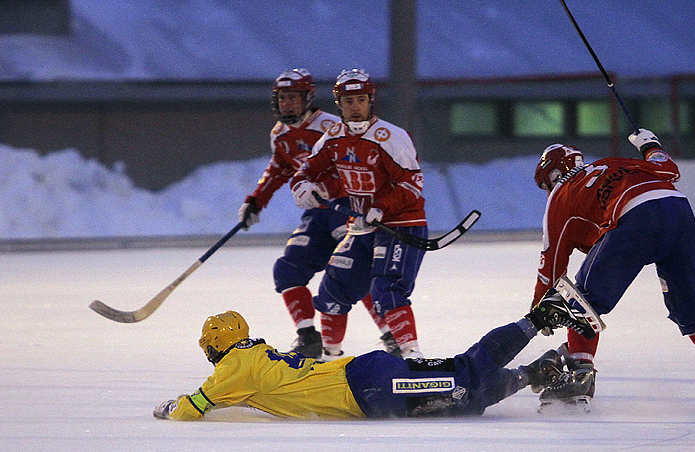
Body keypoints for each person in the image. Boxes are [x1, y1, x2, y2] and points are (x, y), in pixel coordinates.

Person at [530, 130, 695, 412]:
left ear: (551, 177)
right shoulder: (613, 163)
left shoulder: (560, 195)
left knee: (581, 300)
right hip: (678, 209)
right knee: (691, 308)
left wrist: (539, 311)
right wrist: (650, 145)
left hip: (636, 217)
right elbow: (669, 169)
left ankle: (579, 376)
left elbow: (550, 267)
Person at [152, 288, 583, 420]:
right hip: (369, 379)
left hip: (368, 387)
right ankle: (536, 362)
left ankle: (537, 327)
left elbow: (192, 409)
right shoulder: (256, 353)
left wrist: (169, 406)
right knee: (464, 387)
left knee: (465, 385)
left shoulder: (233, 367)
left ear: (216, 344)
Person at [236, 68, 397, 360]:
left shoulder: (331, 127)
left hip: (347, 208)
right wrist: (255, 201)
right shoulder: (280, 134)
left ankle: (392, 336)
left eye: (293, 98)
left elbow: (355, 167)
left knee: (352, 270)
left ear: (308, 98)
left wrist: (324, 185)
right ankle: (308, 338)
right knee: (287, 269)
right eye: (283, 98)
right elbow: (280, 168)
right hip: (317, 215)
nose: (287, 104)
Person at [289, 68, 427, 360]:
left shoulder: (391, 136)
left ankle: (411, 357)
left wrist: (382, 207)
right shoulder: (333, 137)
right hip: (361, 226)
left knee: (387, 291)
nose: (355, 107)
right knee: (331, 292)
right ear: (338, 104)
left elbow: (412, 182)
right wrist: (303, 186)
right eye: (349, 101)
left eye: (361, 100)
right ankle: (329, 360)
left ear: (370, 101)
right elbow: (307, 171)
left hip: (400, 226)